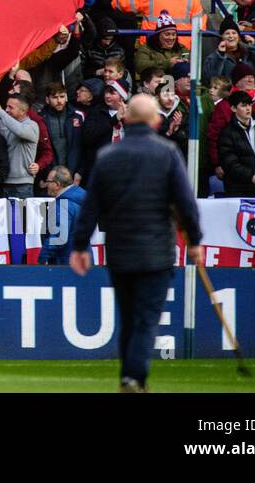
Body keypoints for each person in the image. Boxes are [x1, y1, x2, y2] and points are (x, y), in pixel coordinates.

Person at [70, 93, 203, 392]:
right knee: (146, 319)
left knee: (129, 318)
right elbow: (185, 202)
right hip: (156, 250)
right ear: (156, 120)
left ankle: (127, 378)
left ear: (126, 119)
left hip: (119, 250)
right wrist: (194, 239)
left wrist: (80, 245)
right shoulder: (167, 152)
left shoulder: (108, 156)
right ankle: (134, 377)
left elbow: (90, 206)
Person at [0, 92, 39, 198]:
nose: (6, 110)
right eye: (6, 106)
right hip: (2, 183)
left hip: (22, 186)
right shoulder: (3, 123)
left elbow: (19, 131)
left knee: (21, 215)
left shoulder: (32, 126)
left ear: (23, 111)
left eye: (10, 107)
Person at [37, 164, 85, 265]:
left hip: (67, 266)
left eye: (48, 181)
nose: (46, 184)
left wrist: (42, 258)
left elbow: (59, 238)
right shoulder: (80, 198)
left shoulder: (63, 205)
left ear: (57, 184)